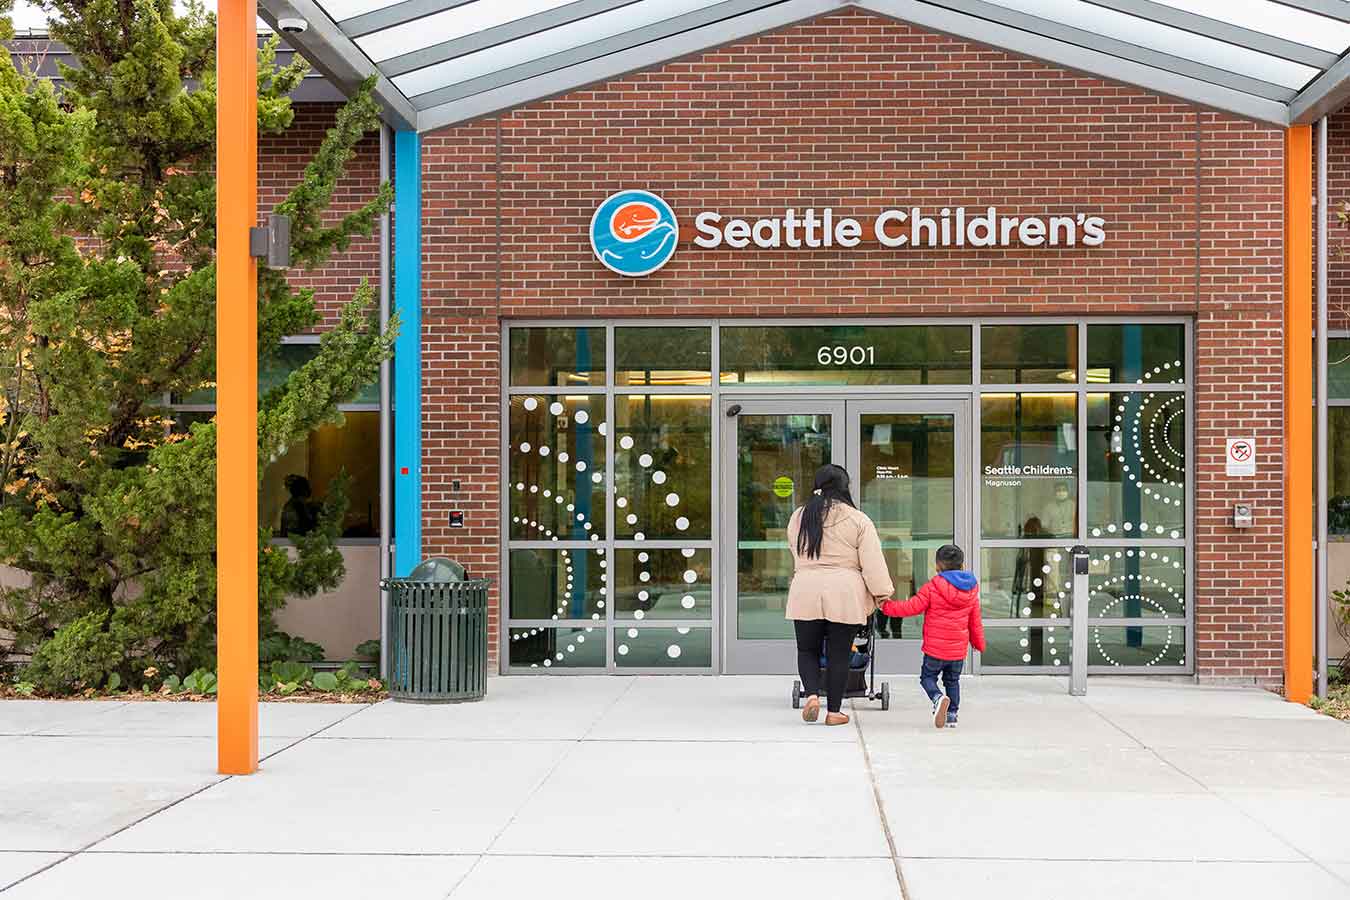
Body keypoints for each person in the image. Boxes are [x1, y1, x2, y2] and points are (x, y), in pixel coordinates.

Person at [786, 464, 893, 726]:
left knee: (807, 650)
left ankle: (811, 694)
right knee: (839, 654)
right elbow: (872, 562)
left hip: (806, 587)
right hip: (845, 590)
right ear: (845, 486)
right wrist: (882, 594)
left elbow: (795, 551)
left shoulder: (800, 516)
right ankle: (834, 712)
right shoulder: (858, 519)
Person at [881, 544, 985, 729]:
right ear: (962, 565)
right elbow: (975, 620)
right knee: (952, 681)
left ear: (937, 566)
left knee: (927, 678)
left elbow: (911, 607)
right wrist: (978, 643)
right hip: (957, 651)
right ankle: (952, 715)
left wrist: (885, 607)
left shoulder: (932, 587)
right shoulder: (971, 590)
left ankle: (937, 698)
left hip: (935, 650)